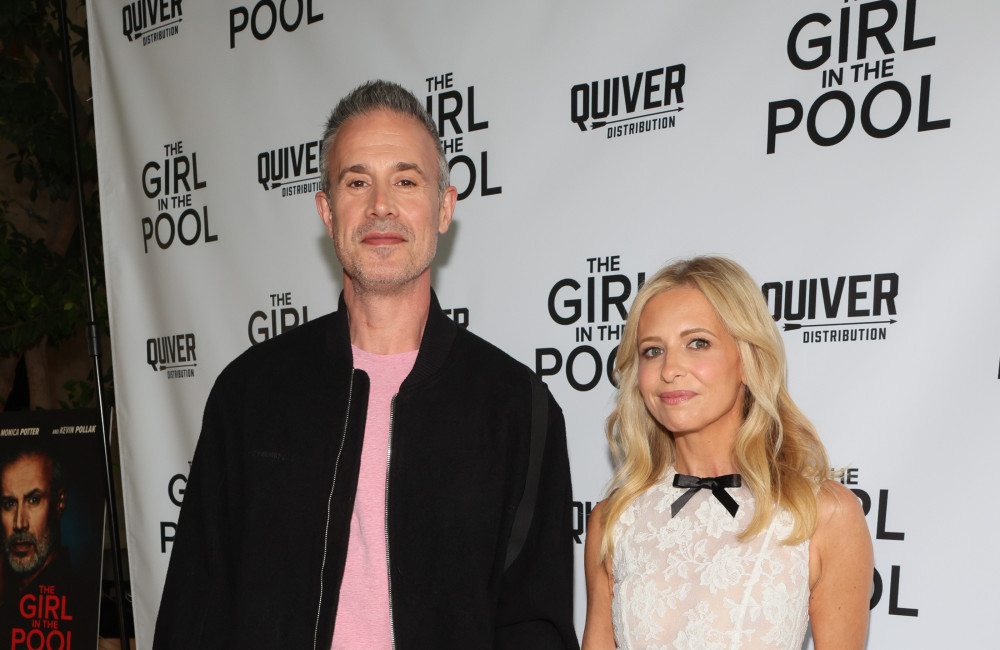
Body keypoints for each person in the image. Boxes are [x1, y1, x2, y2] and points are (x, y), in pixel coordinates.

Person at [153, 80, 578, 649]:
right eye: (357, 182)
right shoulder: (250, 393)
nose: (381, 205)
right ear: (327, 211)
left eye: (406, 180)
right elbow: (195, 610)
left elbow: (534, 625)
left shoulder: (517, 407)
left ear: (444, 208)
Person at [581, 256, 873, 650]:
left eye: (697, 343)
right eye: (652, 350)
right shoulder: (613, 520)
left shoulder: (822, 514)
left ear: (747, 361)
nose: (670, 369)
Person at [0, 448, 71, 596]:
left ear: (60, 502)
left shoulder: (80, 597)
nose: (19, 524)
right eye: (9, 504)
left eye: (34, 500)